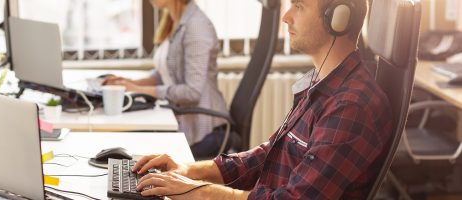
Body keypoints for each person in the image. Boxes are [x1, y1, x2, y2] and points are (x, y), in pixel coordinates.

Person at [130, 0, 394, 199]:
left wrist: (199, 191)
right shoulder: (322, 82)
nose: (287, 17)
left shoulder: (350, 106)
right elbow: (268, 155)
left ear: (338, 19)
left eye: (299, 6)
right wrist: (189, 171)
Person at [105, 0, 230, 158]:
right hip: (183, 123)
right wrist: (128, 83)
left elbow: (192, 92)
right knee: (128, 147)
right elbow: (163, 73)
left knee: (135, 153)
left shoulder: (196, 27)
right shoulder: (174, 20)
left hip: (204, 132)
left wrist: (139, 90)